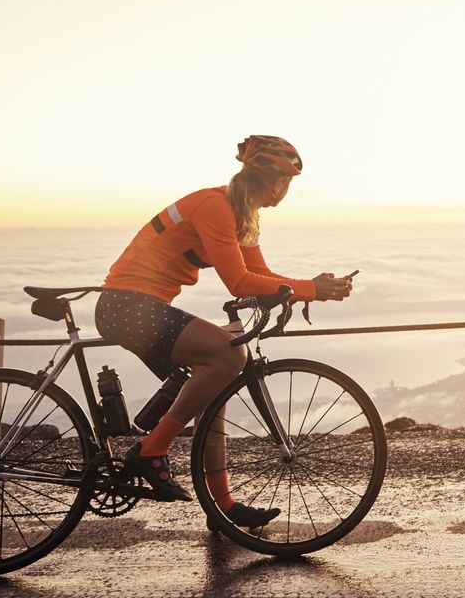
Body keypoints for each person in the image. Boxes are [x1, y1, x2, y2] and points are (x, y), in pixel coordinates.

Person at [94, 135, 353, 528]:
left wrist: (313, 290)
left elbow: (261, 276)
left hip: (141, 306)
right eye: (285, 179)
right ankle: (152, 449)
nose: (286, 188)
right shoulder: (215, 206)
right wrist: (308, 288)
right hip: (126, 305)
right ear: (270, 178)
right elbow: (239, 281)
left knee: (212, 391)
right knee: (229, 355)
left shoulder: (244, 214)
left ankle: (222, 507)